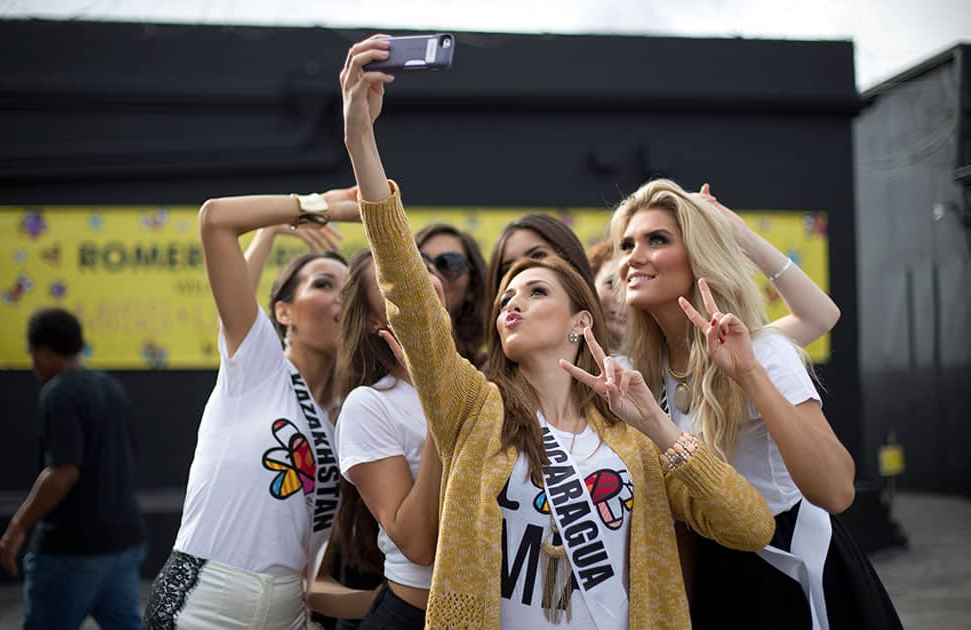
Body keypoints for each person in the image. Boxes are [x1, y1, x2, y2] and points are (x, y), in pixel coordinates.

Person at [341, 36, 774, 629]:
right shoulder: (474, 410)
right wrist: (361, 143)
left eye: (537, 291)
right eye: (506, 297)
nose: (512, 303)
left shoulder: (632, 435)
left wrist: (656, 423)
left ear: (581, 321)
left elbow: (751, 527)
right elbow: (411, 298)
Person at [610, 178, 901, 629]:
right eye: (627, 244)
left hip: (788, 571)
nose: (633, 256)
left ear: (699, 257)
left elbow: (837, 491)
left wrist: (750, 376)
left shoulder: (762, 352)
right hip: (710, 574)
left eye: (657, 240)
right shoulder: (642, 370)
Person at [142, 187, 358, 629]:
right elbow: (216, 219)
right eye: (323, 284)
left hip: (287, 613)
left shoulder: (349, 412)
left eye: (350, 289)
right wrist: (312, 209)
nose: (341, 297)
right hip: (204, 604)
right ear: (283, 312)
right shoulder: (259, 367)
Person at [0, 307, 146, 629]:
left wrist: (17, 527)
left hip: (72, 551)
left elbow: (63, 472)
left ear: (47, 351)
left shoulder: (59, 394)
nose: (32, 362)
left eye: (33, 353)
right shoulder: (110, 387)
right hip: (123, 544)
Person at [330, 248, 445, 628]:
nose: (416, 277)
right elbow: (417, 545)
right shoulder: (369, 405)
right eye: (391, 276)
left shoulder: (488, 384)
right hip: (411, 616)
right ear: (372, 319)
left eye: (424, 268)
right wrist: (438, 413)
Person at [415, 223, 487, 366]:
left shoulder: (492, 372)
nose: (433, 273)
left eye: (449, 264)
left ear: (472, 286)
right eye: (421, 263)